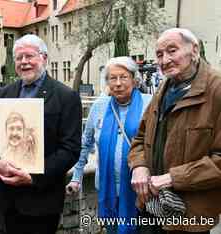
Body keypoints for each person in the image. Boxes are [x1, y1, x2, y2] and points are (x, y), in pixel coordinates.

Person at [129, 28, 221, 234]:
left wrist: (171, 178)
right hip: (150, 207)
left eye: (172, 51)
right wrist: (139, 166)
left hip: (188, 218)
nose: (164, 60)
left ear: (194, 50)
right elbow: (141, 138)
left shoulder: (216, 90)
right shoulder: (164, 89)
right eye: (159, 54)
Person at [0, 34, 82, 234]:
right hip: (8, 198)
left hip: (42, 200)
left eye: (29, 56)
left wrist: (34, 177)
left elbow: (71, 149)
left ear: (44, 58)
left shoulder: (66, 97)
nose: (24, 62)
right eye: (19, 58)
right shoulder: (4, 94)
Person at [66, 57, 152, 234]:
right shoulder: (99, 106)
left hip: (141, 189)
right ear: (107, 82)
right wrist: (76, 176)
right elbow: (85, 143)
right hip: (107, 187)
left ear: (135, 80)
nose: (118, 83)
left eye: (124, 77)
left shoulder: (149, 103)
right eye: (113, 78)